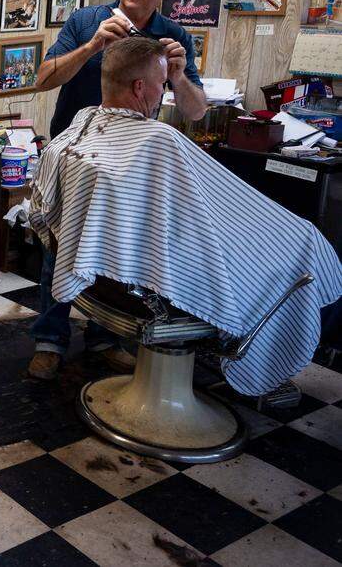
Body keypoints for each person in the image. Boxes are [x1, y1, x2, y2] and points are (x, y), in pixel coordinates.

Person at [29, 36, 342, 397]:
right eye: (162, 84)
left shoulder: (80, 126)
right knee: (306, 251)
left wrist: (177, 76)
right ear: (140, 88)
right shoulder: (159, 140)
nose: (163, 92)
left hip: (104, 285)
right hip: (144, 291)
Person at [27, 0, 207, 380]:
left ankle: (106, 337)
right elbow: (43, 80)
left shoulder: (175, 36)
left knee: (119, 252)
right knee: (59, 246)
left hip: (131, 166)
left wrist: (178, 76)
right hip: (76, 158)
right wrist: (90, 47)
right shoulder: (86, 20)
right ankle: (50, 339)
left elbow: (196, 111)